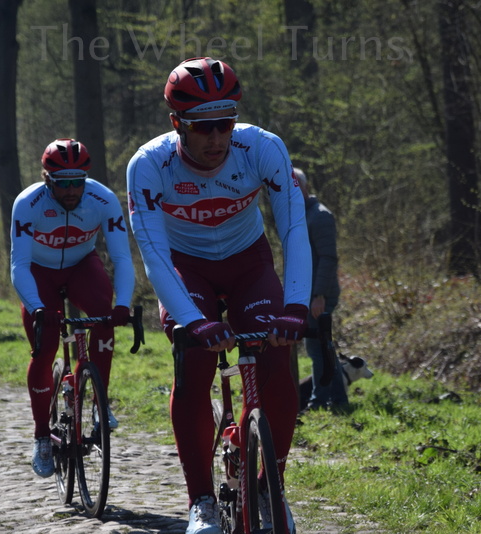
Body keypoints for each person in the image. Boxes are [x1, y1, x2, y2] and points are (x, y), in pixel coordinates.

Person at [127, 57, 311, 534]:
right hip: (185, 267)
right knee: (194, 360)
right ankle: (202, 501)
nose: (216, 138)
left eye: (224, 124)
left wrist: (296, 306)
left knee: (278, 356)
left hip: (248, 261)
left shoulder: (262, 147)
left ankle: (272, 488)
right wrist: (192, 320)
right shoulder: (150, 164)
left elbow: (293, 228)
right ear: (176, 124)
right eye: (201, 127)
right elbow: (152, 251)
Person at [10, 138, 135, 479]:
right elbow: (19, 264)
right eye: (62, 182)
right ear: (46, 179)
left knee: (104, 313)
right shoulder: (28, 203)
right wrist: (36, 307)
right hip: (39, 271)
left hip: (81, 265)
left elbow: (122, 257)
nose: (70, 190)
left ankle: (99, 400)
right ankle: (41, 436)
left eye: (76, 182)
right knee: (46, 347)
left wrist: (123, 304)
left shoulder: (103, 199)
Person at [294, 167, 346, 412]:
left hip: (319, 294)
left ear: (304, 186)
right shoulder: (299, 215)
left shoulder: (320, 216)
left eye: (295, 185)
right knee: (323, 346)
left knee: (317, 348)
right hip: (307, 293)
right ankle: (337, 399)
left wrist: (319, 296)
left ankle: (318, 401)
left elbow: (328, 258)